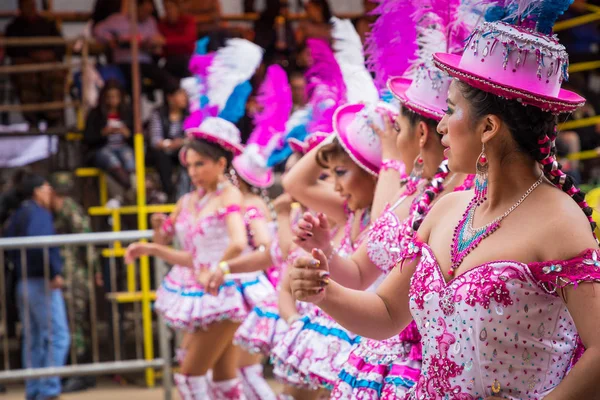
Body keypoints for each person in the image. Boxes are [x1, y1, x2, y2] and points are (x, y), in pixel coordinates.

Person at [290, 4, 600, 399]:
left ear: (488, 127)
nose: (440, 124)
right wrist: (323, 291)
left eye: (451, 110)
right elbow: (387, 314)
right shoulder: (447, 209)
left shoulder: (560, 222)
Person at [125, 117, 257, 398]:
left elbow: (238, 242)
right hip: (200, 289)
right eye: (189, 165)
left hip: (222, 291)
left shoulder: (229, 196)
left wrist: (219, 268)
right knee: (223, 380)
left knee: (189, 378)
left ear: (221, 164)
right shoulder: (188, 201)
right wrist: (153, 244)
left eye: (200, 164)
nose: (194, 172)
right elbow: (188, 256)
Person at [4, 173, 70, 400]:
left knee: (34, 339)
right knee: (58, 336)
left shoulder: (20, 213)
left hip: (23, 283)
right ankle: (48, 390)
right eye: (46, 187)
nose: (50, 192)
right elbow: (38, 243)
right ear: (37, 191)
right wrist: (52, 272)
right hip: (41, 283)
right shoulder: (38, 213)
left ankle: (34, 390)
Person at [49, 172, 102, 393]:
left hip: (75, 277)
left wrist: (95, 270)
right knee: (71, 324)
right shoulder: (58, 209)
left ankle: (80, 373)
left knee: (74, 324)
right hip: (70, 275)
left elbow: (86, 240)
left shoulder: (69, 208)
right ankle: (75, 371)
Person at [4, 0, 66, 127]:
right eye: (26, 6)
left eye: (31, 5)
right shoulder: (14, 27)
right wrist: (32, 55)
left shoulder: (47, 24)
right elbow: (11, 49)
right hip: (26, 65)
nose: (29, 8)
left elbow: (61, 46)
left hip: (48, 64)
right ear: (20, 8)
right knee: (27, 79)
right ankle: (33, 120)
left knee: (56, 76)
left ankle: (54, 118)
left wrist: (50, 54)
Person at [93, 0, 176, 92]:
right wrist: (111, 39)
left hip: (145, 62)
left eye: (149, 12)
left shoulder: (151, 21)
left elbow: (157, 42)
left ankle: (170, 104)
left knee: (168, 81)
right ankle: (133, 105)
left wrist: (153, 43)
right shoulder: (117, 20)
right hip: (125, 62)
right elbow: (98, 30)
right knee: (135, 83)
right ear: (136, 8)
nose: (146, 14)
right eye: (144, 11)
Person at [83, 80, 135, 192]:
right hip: (101, 149)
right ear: (104, 98)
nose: (113, 100)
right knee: (111, 160)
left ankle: (128, 191)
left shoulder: (127, 113)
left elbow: (137, 138)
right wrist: (103, 133)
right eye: (110, 97)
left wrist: (127, 134)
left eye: (116, 96)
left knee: (130, 159)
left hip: (123, 147)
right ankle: (132, 188)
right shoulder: (96, 113)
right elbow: (87, 138)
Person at [148, 84, 189, 199]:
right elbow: (155, 140)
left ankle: (183, 194)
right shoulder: (158, 113)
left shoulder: (189, 114)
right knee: (162, 157)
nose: (184, 97)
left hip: (182, 150)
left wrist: (181, 143)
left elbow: (192, 136)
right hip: (164, 152)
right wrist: (170, 144)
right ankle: (168, 192)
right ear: (170, 97)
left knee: (188, 155)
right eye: (180, 94)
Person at [159, 0, 197, 79]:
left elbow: (188, 40)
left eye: (171, 8)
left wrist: (166, 41)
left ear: (178, 8)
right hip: (171, 60)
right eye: (166, 9)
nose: (169, 11)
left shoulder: (188, 21)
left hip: (187, 58)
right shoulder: (162, 24)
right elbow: (162, 50)